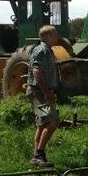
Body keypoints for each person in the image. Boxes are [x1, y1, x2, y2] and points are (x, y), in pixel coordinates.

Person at [26, 25, 61, 167]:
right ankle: (39, 154)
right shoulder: (41, 50)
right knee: (53, 121)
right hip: (38, 91)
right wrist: (46, 93)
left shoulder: (48, 51)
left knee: (42, 124)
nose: (57, 37)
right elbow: (36, 72)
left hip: (43, 91)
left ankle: (37, 157)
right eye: (55, 34)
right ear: (47, 36)